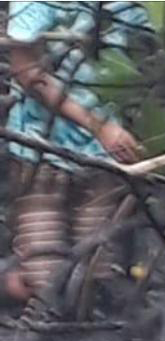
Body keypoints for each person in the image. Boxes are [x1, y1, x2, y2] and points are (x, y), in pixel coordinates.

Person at [3, 1, 152, 304]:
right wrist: (98, 126)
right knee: (46, 282)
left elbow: (164, 45)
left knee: (95, 275)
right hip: (43, 150)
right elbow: (27, 71)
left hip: (106, 155)